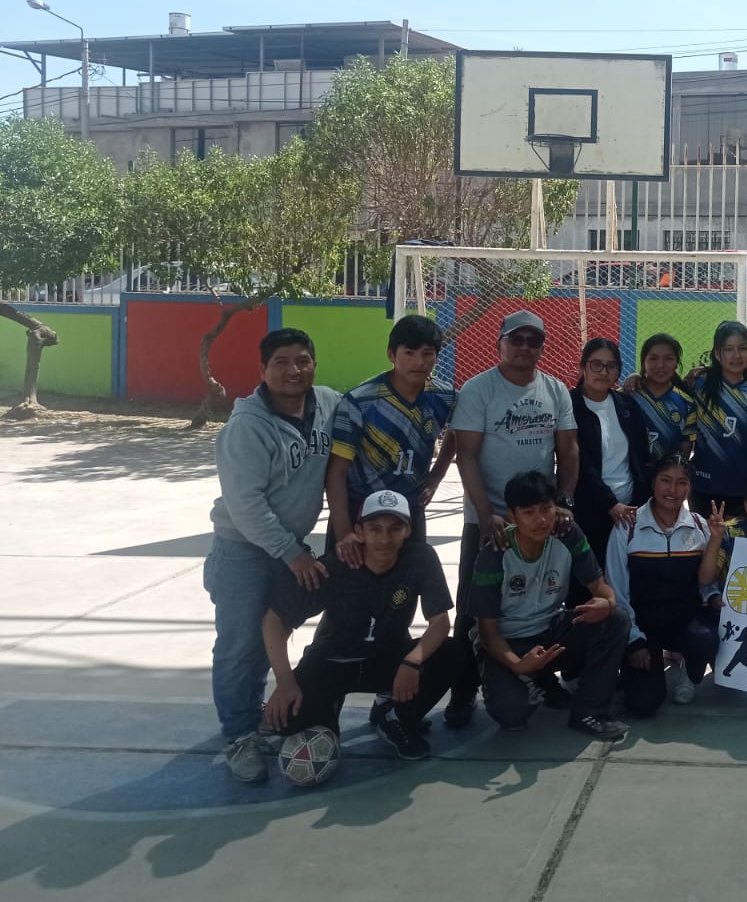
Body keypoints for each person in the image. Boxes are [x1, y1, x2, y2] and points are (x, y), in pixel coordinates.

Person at [205, 327, 338, 783]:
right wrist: (291, 553)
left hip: (287, 547)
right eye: (281, 362)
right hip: (243, 548)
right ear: (263, 370)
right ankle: (238, 733)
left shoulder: (328, 404)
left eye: (302, 360)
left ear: (314, 365)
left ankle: (253, 717)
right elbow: (246, 504)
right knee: (240, 643)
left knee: (269, 637)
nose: (293, 370)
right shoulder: (246, 427)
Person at [262, 489, 466, 762]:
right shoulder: (338, 566)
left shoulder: (420, 559)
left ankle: (395, 716)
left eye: (395, 528)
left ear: (408, 530)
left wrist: (412, 661)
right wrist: (286, 682)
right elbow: (274, 621)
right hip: (332, 661)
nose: (384, 538)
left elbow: (440, 622)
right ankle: (328, 710)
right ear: (359, 531)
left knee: (454, 652)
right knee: (285, 721)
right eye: (375, 529)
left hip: (386, 659)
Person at [447, 309, 579, 726]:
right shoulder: (478, 390)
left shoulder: (555, 390)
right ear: (499, 343)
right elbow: (465, 454)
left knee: (545, 599)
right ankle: (462, 692)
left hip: (540, 519)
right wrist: (486, 514)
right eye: (516, 339)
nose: (524, 348)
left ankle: (542, 675)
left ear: (542, 346)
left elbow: (568, 451)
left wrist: (563, 503)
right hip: (488, 521)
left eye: (533, 341)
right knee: (473, 609)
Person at [468, 470, 630, 740]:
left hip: (551, 632)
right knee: (512, 716)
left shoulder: (567, 534)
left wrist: (608, 602)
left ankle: (590, 711)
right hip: (509, 641)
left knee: (616, 620)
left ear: (557, 508)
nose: (540, 520)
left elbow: (599, 587)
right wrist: (518, 665)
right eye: (528, 512)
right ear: (512, 516)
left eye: (546, 509)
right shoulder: (495, 553)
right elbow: (488, 632)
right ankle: (527, 677)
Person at [327, 314, 456, 559]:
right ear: (391, 355)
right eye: (409, 353)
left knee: (404, 591)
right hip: (361, 509)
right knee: (351, 591)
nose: (419, 361)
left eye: (428, 353)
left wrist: (436, 476)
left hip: (409, 507)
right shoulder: (360, 401)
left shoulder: (445, 396)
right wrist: (344, 533)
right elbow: (337, 471)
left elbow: (459, 432)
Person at [606, 455, 719, 716]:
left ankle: (690, 672)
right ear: (653, 481)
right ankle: (649, 660)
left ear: (690, 487)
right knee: (643, 704)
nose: (673, 490)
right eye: (665, 481)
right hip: (644, 627)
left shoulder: (700, 526)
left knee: (705, 639)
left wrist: (714, 598)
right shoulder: (628, 526)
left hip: (684, 620)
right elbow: (616, 590)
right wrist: (634, 641)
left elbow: (706, 584)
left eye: (682, 483)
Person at [569, 337, 653, 563]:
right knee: (589, 577)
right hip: (588, 508)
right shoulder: (568, 405)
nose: (603, 371)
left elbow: (640, 457)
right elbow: (579, 463)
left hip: (630, 509)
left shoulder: (626, 405)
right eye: (596, 364)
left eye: (611, 365)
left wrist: (640, 503)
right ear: (583, 367)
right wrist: (610, 504)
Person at [687, 320, 747, 519]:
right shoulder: (698, 385)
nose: (736, 355)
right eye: (729, 349)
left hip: (743, 485)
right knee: (705, 544)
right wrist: (636, 377)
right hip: (704, 484)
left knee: (737, 546)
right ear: (717, 354)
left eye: (743, 348)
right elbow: (663, 388)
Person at [632, 333, 698, 463]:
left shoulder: (687, 404)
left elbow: (683, 454)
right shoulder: (627, 396)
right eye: (653, 358)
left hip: (666, 481)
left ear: (676, 363)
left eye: (668, 359)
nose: (660, 365)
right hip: (628, 480)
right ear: (643, 362)